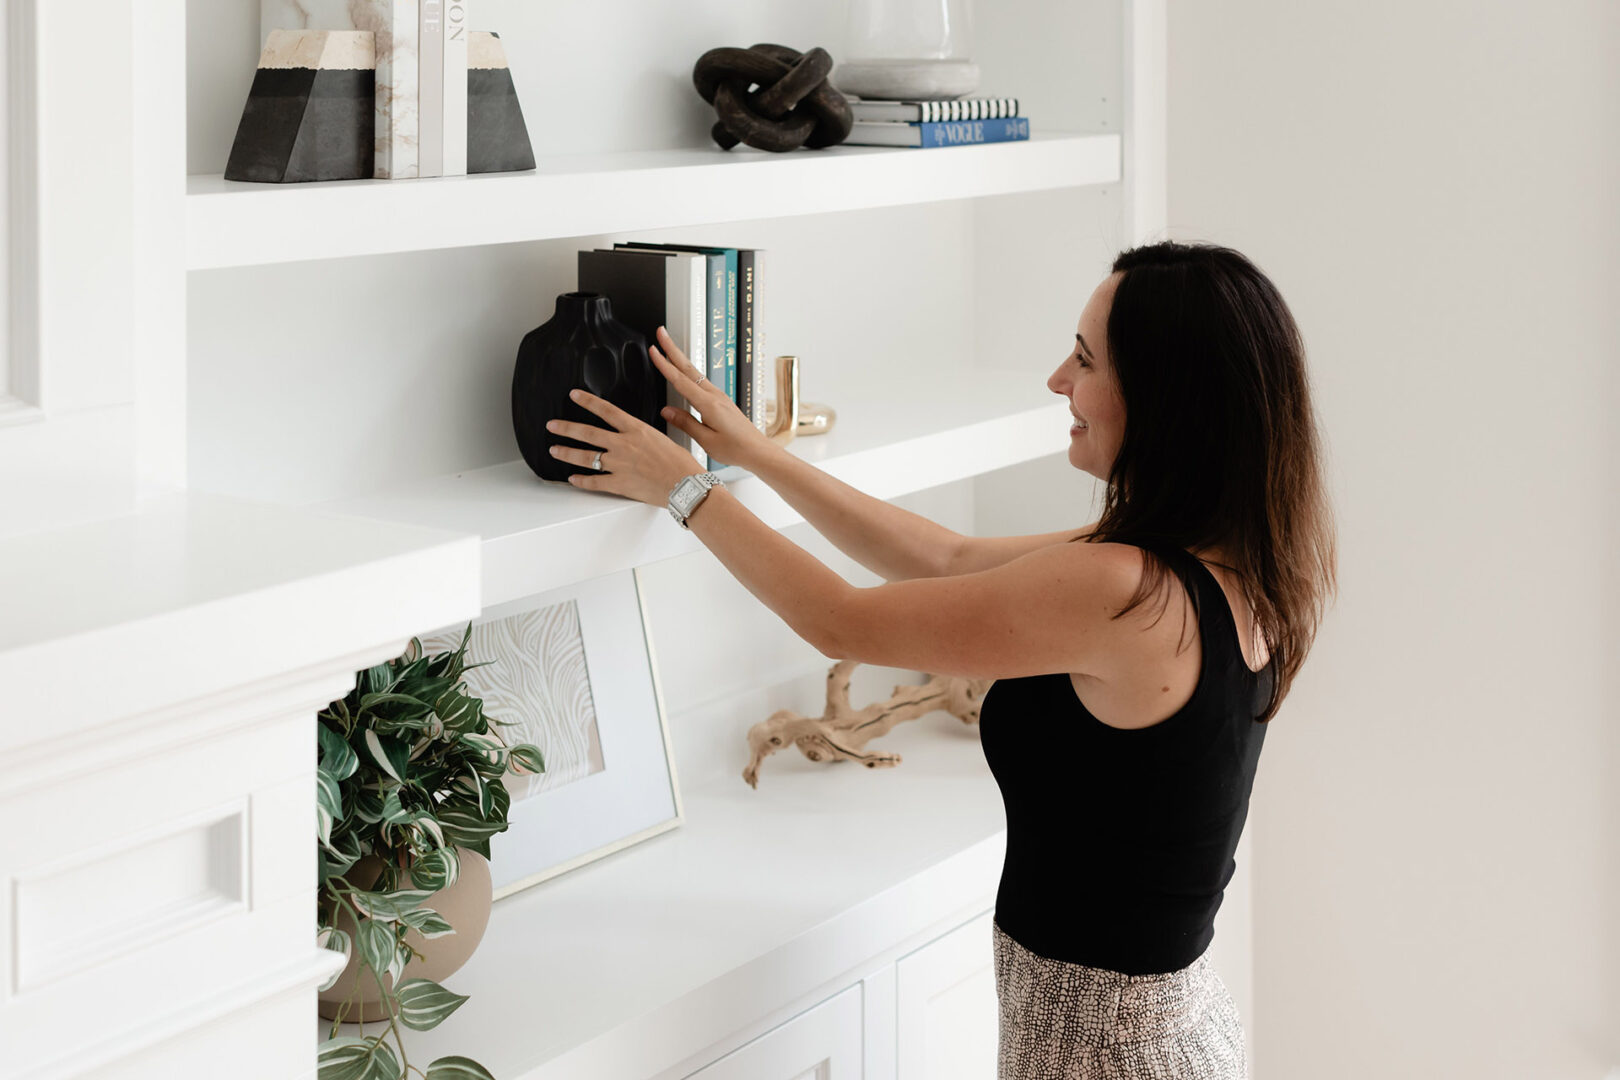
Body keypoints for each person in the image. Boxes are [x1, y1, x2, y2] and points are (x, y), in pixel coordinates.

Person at [543, 240, 1337, 1079]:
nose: (1057, 380)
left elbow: (838, 620)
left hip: (1106, 1057)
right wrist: (757, 454)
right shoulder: (1218, 561)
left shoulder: (1127, 589)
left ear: (1166, 399)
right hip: (1165, 1035)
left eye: (1084, 358)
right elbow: (951, 559)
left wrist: (683, 489)